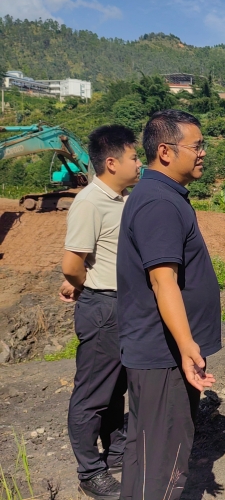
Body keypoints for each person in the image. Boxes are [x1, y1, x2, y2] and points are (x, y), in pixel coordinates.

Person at [117, 109, 220, 500]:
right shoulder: (159, 203)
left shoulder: (160, 196)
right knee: (164, 464)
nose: (202, 153)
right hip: (163, 356)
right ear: (165, 151)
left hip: (159, 352)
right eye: (196, 146)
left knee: (146, 456)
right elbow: (163, 282)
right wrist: (187, 345)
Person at [60, 125, 141, 499]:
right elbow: (71, 264)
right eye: (134, 157)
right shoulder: (90, 201)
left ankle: (116, 452)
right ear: (112, 162)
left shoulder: (122, 199)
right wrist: (81, 285)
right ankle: (90, 472)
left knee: (115, 386)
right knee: (92, 392)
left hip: (123, 304)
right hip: (103, 305)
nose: (138, 163)